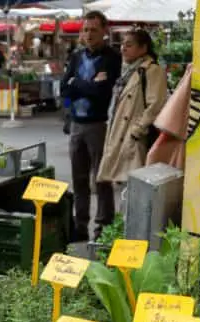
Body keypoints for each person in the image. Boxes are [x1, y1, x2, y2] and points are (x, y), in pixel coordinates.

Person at [62, 11, 121, 241]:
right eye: (85, 29)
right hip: (76, 124)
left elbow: (102, 92)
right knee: (78, 180)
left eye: (93, 30)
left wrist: (77, 83)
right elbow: (63, 91)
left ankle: (103, 227)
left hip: (98, 124)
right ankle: (80, 226)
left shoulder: (112, 58)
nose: (88, 34)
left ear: (104, 31)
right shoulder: (76, 57)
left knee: (102, 179)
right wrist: (69, 104)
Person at [97, 29, 168, 209]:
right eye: (122, 44)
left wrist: (136, 131)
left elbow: (156, 104)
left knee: (136, 188)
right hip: (121, 132)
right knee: (125, 187)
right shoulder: (129, 70)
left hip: (136, 138)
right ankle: (124, 229)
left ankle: (132, 231)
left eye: (129, 45)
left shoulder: (152, 71)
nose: (123, 49)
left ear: (143, 48)